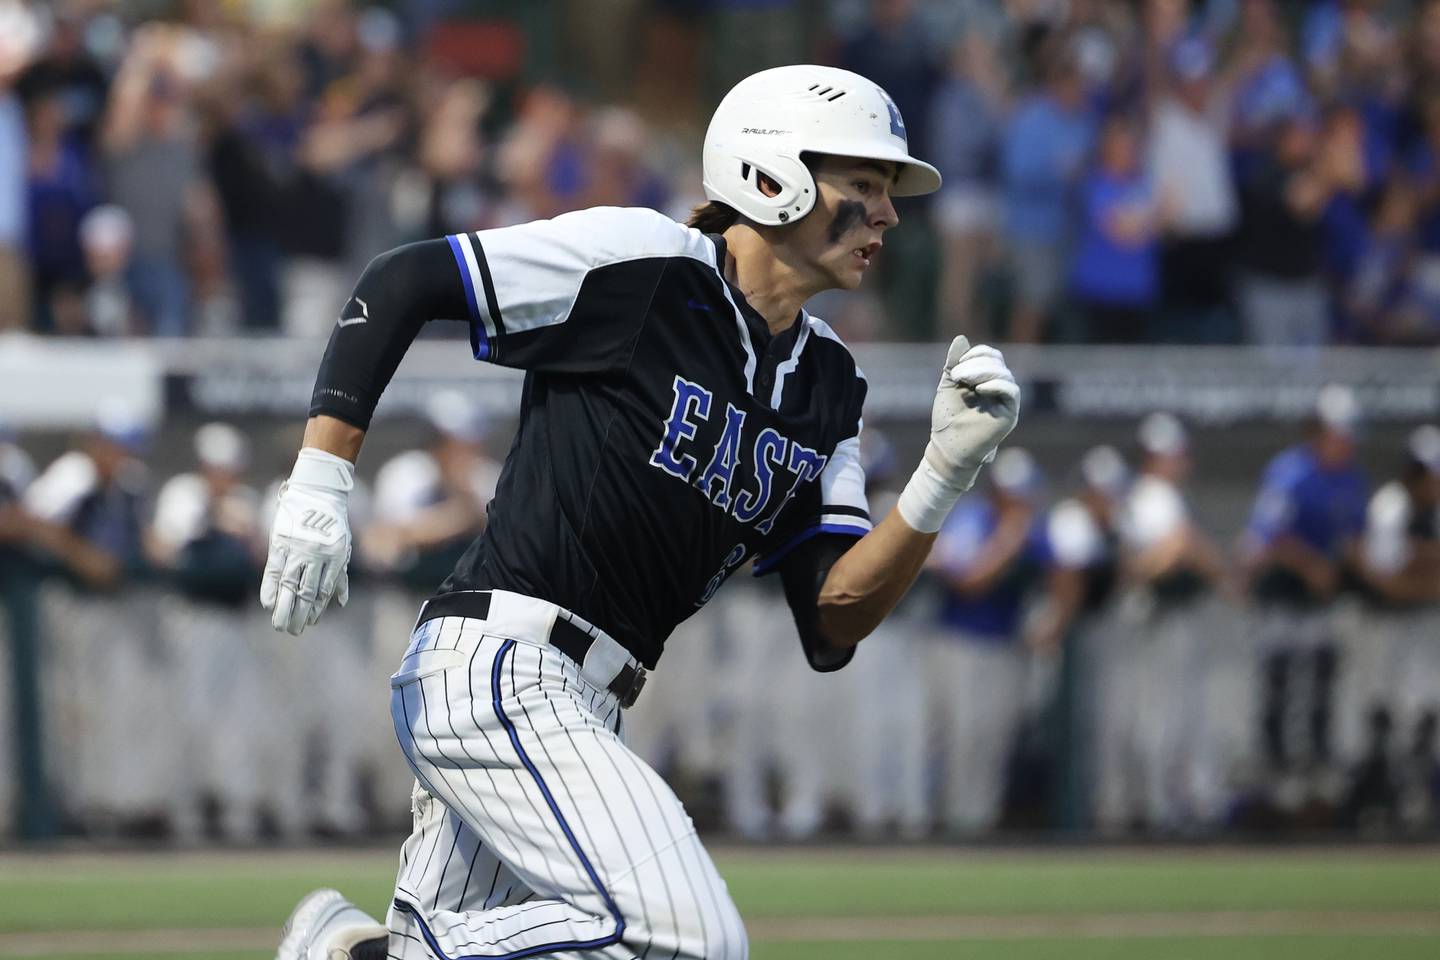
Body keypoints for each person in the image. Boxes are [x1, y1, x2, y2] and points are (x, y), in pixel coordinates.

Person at [262, 64, 1019, 960]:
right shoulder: (644, 262)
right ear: (771, 175)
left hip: (591, 699)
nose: (888, 215)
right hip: (500, 667)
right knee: (695, 940)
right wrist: (320, 481)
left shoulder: (829, 387)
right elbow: (400, 282)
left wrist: (942, 474)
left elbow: (832, 619)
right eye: (864, 185)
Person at [1240, 385, 1368, 807]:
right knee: (1278, 684)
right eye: (1337, 433)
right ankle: (1277, 774)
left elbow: (1353, 540)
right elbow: (1267, 536)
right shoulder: (1291, 472)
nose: (1344, 442)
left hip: (1322, 601)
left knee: (1321, 683)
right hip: (1281, 597)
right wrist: (1312, 565)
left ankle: (1316, 770)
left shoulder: (1350, 478)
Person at [924, 447, 1044, 835]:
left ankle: (980, 822)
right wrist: (1008, 542)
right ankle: (952, 819)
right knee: (960, 734)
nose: (1016, 502)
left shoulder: (1033, 528)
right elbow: (970, 580)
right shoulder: (972, 517)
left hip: (1006, 643)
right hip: (960, 641)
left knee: (995, 736)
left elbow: (1065, 572)